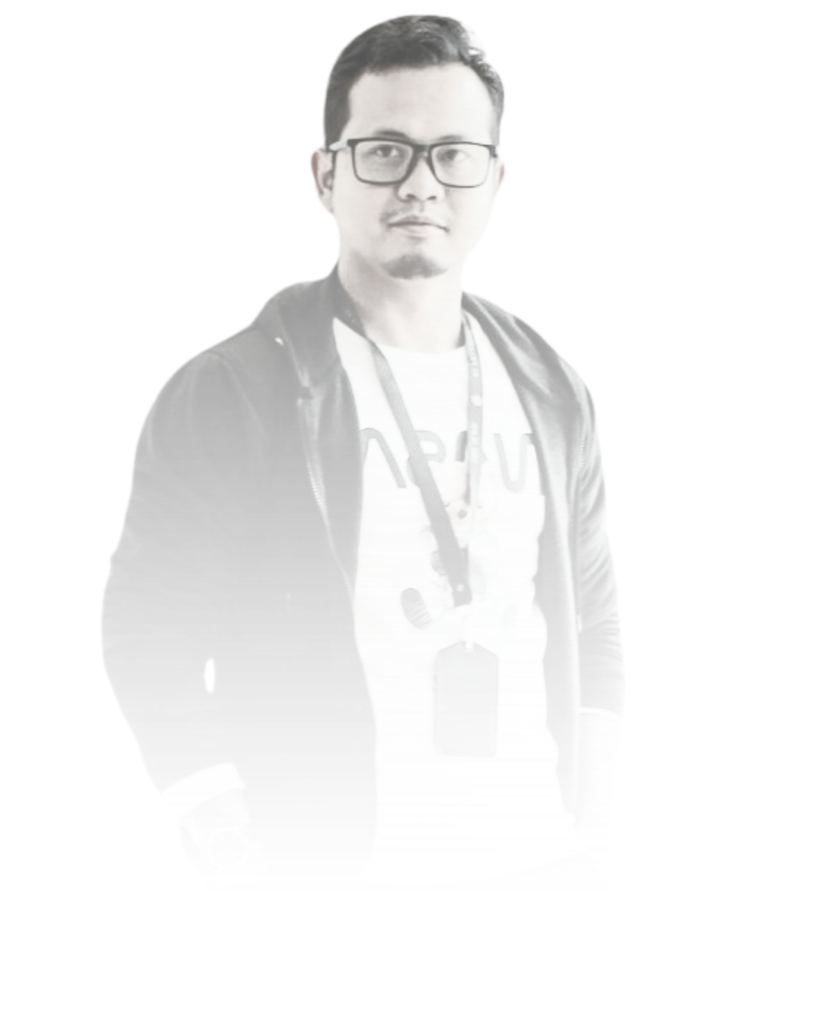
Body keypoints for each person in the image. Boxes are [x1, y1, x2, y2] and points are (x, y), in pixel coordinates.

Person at [100, 13, 625, 889]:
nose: (420, 184)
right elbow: (146, 631)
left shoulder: (553, 387)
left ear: (495, 179)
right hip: (343, 873)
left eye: (453, 155)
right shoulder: (238, 388)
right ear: (324, 175)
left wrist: (594, 840)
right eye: (385, 151)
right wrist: (240, 869)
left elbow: (595, 623)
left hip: (544, 865)